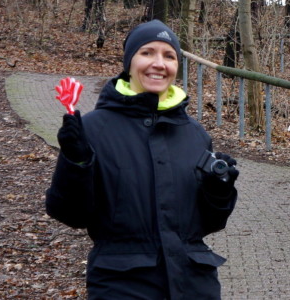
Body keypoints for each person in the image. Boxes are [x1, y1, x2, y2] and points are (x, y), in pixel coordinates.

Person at [46, 19, 239, 300]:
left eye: (169, 55)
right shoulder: (93, 128)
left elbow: (210, 223)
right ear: (129, 62)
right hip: (122, 284)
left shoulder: (195, 134)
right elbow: (70, 215)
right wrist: (75, 163)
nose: (158, 63)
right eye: (147, 52)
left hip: (194, 284)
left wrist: (219, 191)